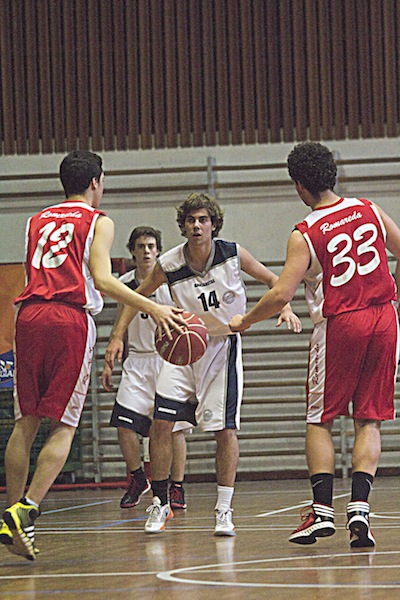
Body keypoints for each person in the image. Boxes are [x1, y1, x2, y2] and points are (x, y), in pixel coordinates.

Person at [0, 151, 185, 561]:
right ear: (96, 182)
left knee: (25, 421)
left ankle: (12, 516)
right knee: (64, 424)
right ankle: (26, 509)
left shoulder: (35, 220)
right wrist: (151, 306)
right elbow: (102, 279)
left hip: (27, 315)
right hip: (68, 318)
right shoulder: (98, 220)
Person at [230, 141, 400, 548]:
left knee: (319, 418)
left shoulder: (305, 232)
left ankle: (322, 511)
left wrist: (245, 320)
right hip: (385, 318)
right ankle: (359, 510)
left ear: (300, 186)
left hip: (341, 322)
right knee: (369, 418)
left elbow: (280, 293)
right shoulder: (369, 209)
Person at [105, 192, 302, 536]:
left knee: (224, 431)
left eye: (203, 220)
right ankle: (161, 502)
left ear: (213, 224)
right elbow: (136, 298)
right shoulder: (169, 263)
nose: (197, 226)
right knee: (161, 424)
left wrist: (284, 306)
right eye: (191, 220)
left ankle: (223, 509)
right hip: (181, 348)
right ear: (183, 226)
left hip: (221, 346)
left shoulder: (232, 253)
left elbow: (275, 281)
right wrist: (117, 335)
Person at [101, 226, 190, 510]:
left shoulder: (170, 281)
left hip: (167, 360)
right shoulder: (125, 283)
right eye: (141, 246)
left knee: (174, 430)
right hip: (137, 361)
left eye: (151, 246)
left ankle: (177, 487)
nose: (147, 251)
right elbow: (121, 322)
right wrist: (110, 357)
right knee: (123, 424)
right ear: (132, 251)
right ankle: (138, 478)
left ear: (159, 251)